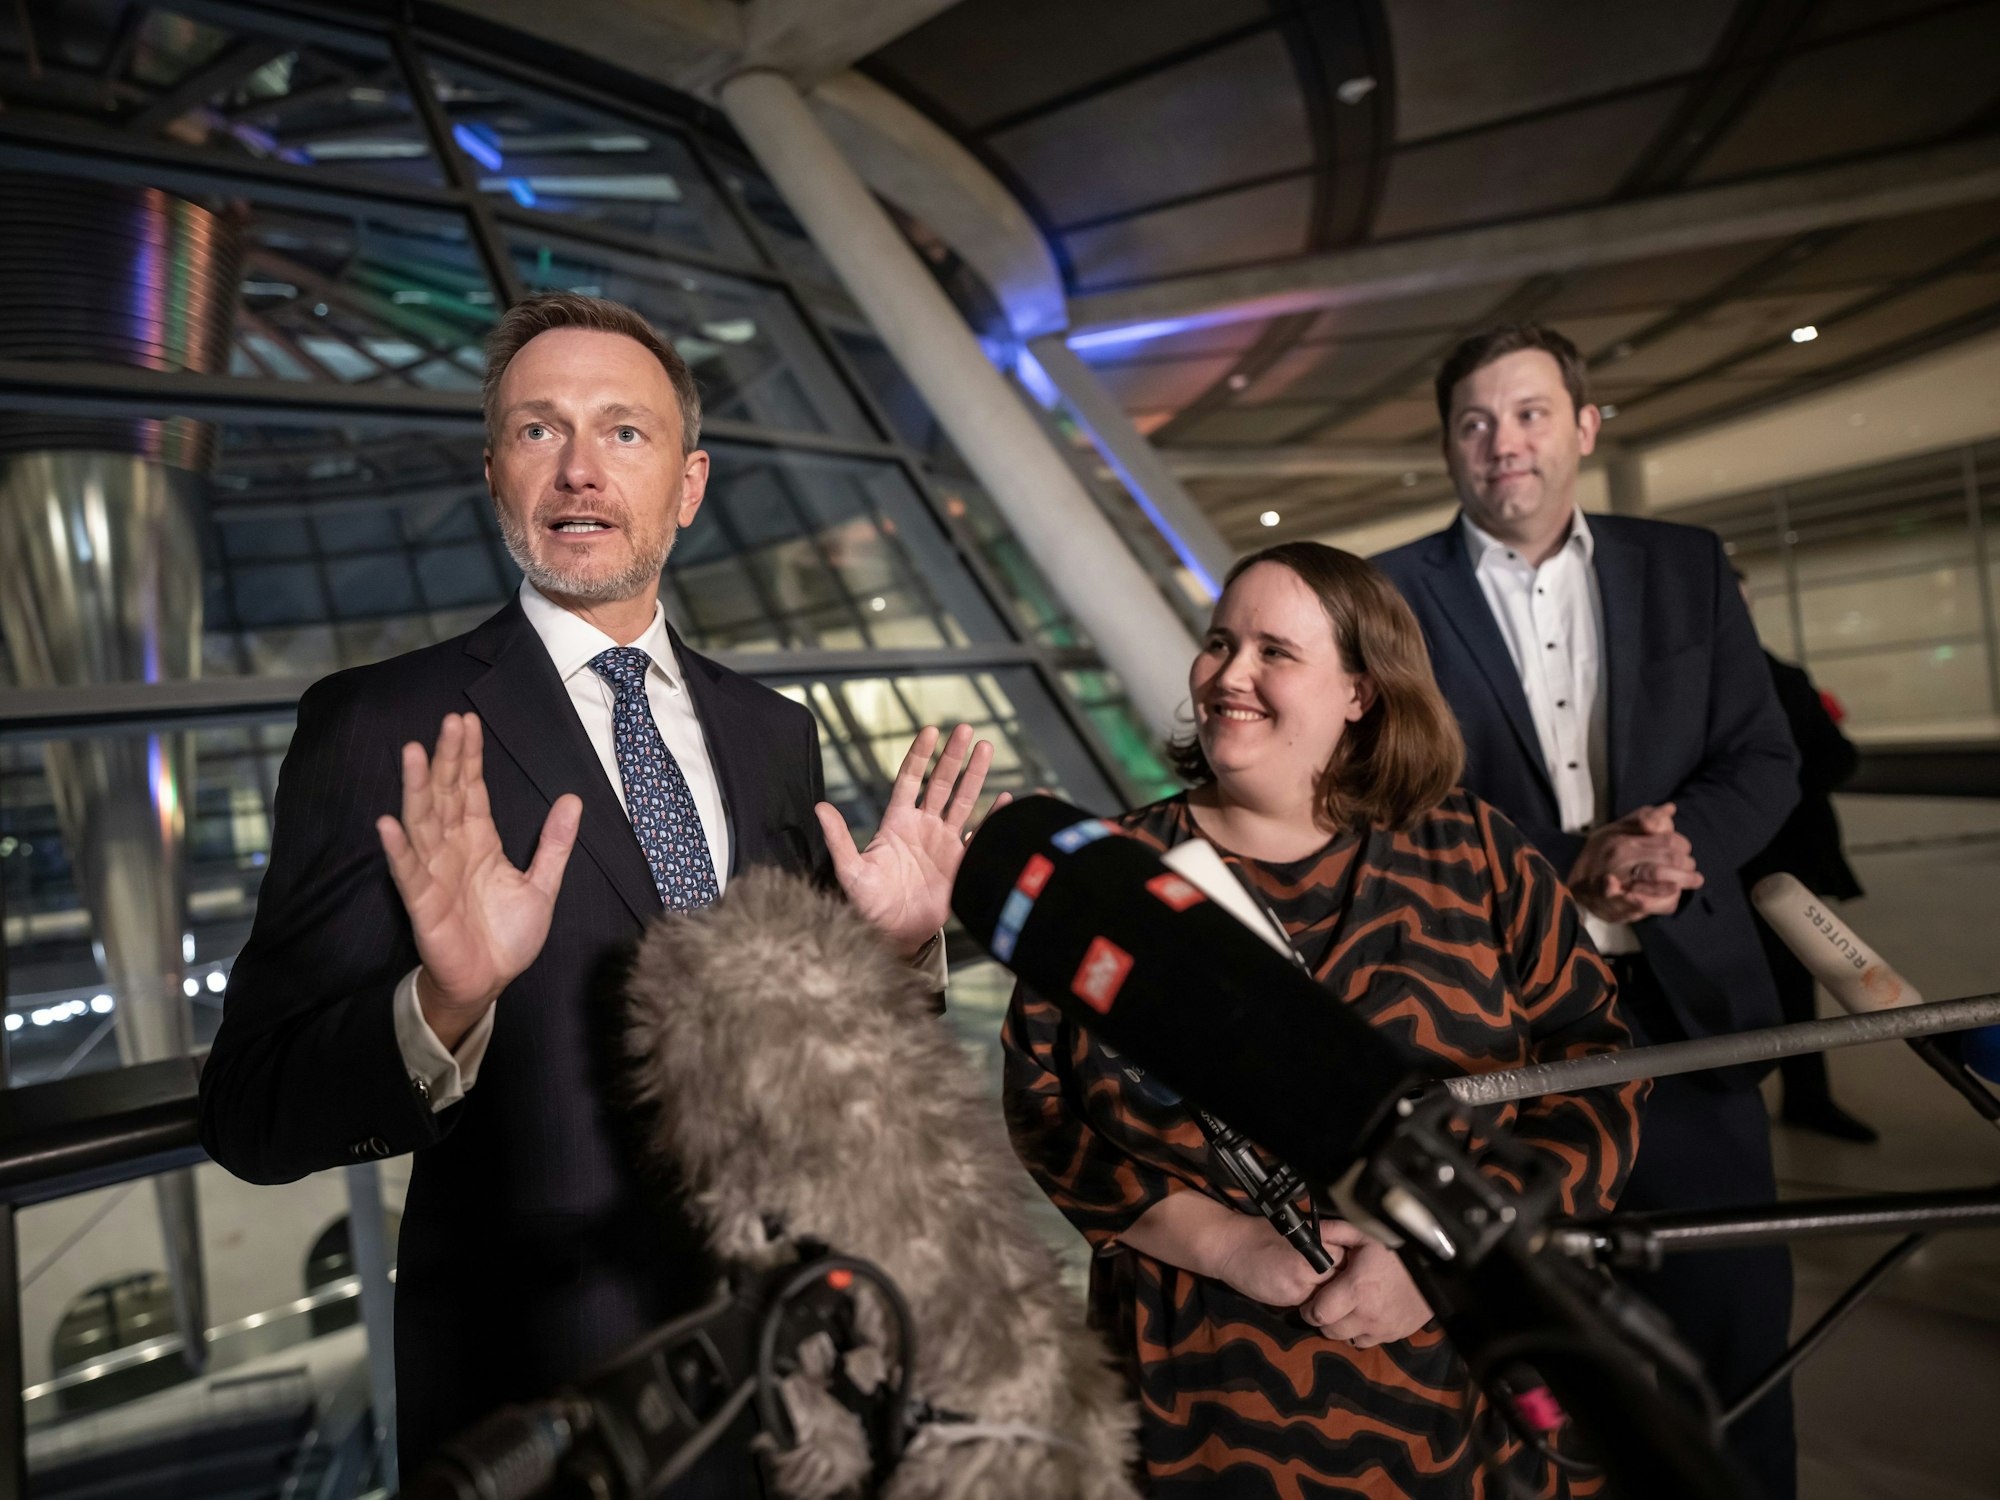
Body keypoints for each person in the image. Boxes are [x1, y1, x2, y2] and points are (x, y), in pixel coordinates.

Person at [198, 293, 998, 1487]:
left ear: (688, 482)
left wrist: (889, 962)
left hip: (800, 1378)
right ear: (493, 473)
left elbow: (824, 1062)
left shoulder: (769, 732)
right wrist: (442, 1004)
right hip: (556, 1418)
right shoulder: (385, 724)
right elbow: (251, 1115)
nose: (579, 470)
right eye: (538, 431)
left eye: (623, 432)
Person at [1002, 542, 1645, 1498]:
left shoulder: (1477, 855)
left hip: (1462, 1388)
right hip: (1199, 1401)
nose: (1230, 675)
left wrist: (1442, 1254)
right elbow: (1043, 1109)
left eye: (1274, 651)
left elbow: (1597, 1069)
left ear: (1361, 691)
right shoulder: (1112, 879)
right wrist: (1229, 1245)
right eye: (1220, 643)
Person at [1373, 323, 1802, 1499]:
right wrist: (1570, 863)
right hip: (1501, 1029)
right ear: (1448, 445)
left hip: (1688, 1016)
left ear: (1583, 428)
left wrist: (1675, 850)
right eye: (1472, 422)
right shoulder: (1392, 601)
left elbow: (1762, 760)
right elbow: (1393, 810)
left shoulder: (1684, 566)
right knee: (1530, 1365)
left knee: (1732, 1350)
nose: (1500, 443)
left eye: (1526, 415)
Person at [1736, 572, 1875, 1142]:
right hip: (1741, 861)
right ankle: (1795, 1097)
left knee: (1793, 985)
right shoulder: (1727, 681)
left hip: (1780, 861)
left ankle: (1805, 1097)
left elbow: (1836, 758)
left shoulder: (1775, 678)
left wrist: (1769, 792)